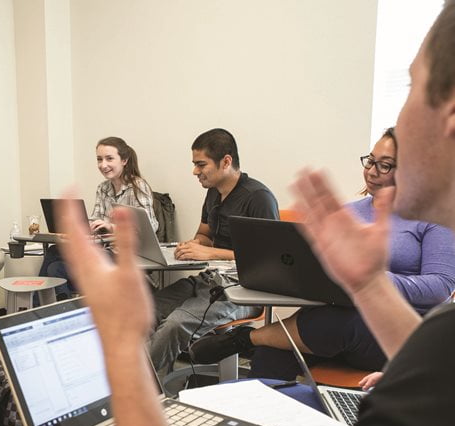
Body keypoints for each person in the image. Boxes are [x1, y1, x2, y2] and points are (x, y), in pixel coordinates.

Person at [56, 1, 455, 426]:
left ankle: (207, 364)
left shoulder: (257, 195)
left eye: (408, 88)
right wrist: (366, 284)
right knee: (259, 393)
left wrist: (121, 351)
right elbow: (435, 384)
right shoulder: (439, 339)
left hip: (299, 319)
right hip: (348, 328)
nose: (388, 137)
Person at [189, 128, 455, 379]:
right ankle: (256, 422)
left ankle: (247, 338)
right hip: (333, 322)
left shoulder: (436, 216)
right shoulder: (350, 212)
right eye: (370, 161)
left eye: (385, 165)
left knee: (343, 320)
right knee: (274, 352)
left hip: (402, 335)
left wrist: (372, 282)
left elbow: (440, 287)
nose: (372, 172)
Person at [149, 128, 278, 375]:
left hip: (245, 291)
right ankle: (149, 378)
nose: (195, 171)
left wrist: (211, 254)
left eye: (201, 164)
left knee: (175, 324)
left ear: (226, 161)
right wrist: (193, 246)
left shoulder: (258, 198)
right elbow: (205, 235)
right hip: (210, 280)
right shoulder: (213, 194)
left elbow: (267, 260)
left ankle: (136, 388)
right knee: (146, 310)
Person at [38, 136, 159, 300]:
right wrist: (77, 228)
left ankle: (52, 313)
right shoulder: (103, 188)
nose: (103, 165)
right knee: (54, 257)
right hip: (102, 250)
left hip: (124, 255)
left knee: (57, 270)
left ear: (124, 160)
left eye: (109, 158)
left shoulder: (137, 186)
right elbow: (96, 220)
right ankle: (46, 312)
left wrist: (112, 227)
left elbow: (149, 228)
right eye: (99, 159)